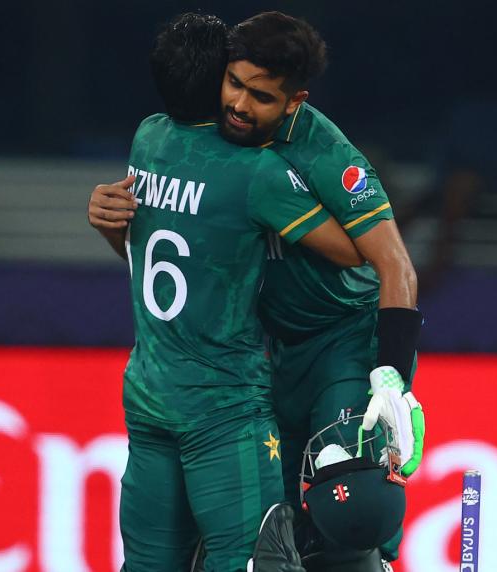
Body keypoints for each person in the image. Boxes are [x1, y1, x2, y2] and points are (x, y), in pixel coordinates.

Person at [90, 11, 425, 571]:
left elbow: (396, 267)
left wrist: (394, 378)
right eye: (235, 83)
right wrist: (114, 229)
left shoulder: (325, 154)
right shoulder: (200, 142)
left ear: (294, 101)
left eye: (262, 97)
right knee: (286, 529)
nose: (240, 105)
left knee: (350, 503)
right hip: (264, 350)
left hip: (337, 341)